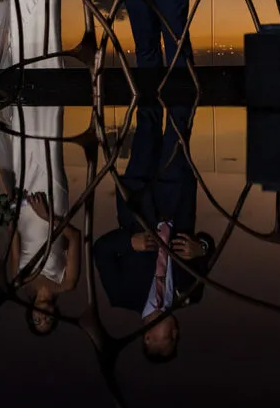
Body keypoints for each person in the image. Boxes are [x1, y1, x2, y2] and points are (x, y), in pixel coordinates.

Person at [92, 104, 214, 362]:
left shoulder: (120, 295)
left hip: (138, 198)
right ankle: (179, 66)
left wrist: (129, 242)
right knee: (178, 126)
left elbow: (100, 251)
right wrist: (200, 248)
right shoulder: (191, 294)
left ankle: (149, 65)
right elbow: (208, 246)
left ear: (147, 337)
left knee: (147, 124)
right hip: (177, 198)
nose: (176, 332)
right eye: (176, 337)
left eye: (168, 338)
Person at [0, 105, 81, 335]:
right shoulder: (67, 283)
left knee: (22, 147)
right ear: (56, 316)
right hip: (52, 205)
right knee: (50, 146)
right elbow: (74, 237)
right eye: (48, 322)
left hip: (26, 206)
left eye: (37, 322)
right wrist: (48, 216)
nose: (42, 318)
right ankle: (50, 79)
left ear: (31, 315)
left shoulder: (19, 281)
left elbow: (13, 235)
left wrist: (9, 208)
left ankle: (21, 93)